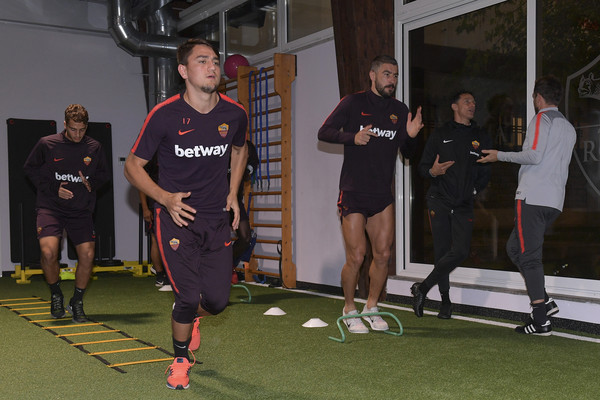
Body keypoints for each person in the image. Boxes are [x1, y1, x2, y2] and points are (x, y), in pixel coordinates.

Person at [124, 38, 248, 390]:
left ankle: (191, 318)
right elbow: (132, 166)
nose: (212, 67)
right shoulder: (164, 115)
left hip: (216, 219)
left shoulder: (235, 113)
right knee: (188, 296)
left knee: (218, 302)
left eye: (215, 61)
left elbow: (239, 150)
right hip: (176, 219)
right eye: (202, 61)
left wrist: (233, 193)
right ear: (183, 71)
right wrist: (164, 198)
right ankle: (179, 360)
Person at [318, 55, 423, 334]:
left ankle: (372, 307)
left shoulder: (399, 110)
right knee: (357, 256)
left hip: (381, 194)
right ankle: (349, 309)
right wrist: (351, 138)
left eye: (395, 75)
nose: (392, 80)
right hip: (353, 192)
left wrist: (411, 136)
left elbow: (407, 154)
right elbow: (324, 131)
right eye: (387, 74)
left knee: (383, 254)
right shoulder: (353, 103)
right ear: (372, 75)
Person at [478, 75, 576, 336]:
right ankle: (545, 301)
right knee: (514, 248)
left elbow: (533, 155)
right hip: (554, 202)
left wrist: (499, 155)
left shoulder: (542, 119)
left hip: (532, 198)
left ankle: (541, 320)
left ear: (538, 98)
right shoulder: (568, 127)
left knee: (530, 257)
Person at [23, 104, 110, 323]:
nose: (77, 134)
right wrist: (54, 188)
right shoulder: (47, 143)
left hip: (80, 210)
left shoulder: (95, 147)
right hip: (50, 207)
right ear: (65, 124)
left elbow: (103, 175)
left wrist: (91, 183)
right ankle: (56, 294)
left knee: (87, 255)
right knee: (49, 253)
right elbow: (29, 169)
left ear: (87, 127)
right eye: (73, 129)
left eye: (82, 130)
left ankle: (77, 301)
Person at [411, 90, 491, 319]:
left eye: (474, 101)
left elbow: (486, 170)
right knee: (442, 250)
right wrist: (433, 171)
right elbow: (422, 168)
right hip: (439, 199)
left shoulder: (480, 136)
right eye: (467, 101)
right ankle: (445, 302)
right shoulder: (440, 134)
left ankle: (422, 288)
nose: (472, 105)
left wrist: (474, 190)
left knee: (461, 251)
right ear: (454, 106)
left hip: (464, 202)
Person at [138, 155, 172, 291]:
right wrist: (145, 208)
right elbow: (141, 184)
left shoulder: (177, 150)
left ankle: (172, 275)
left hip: (172, 202)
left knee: (172, 239)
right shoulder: (151, 156)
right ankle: (160, 275)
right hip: (154, 205)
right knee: (156, 239)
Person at [230, 139, 259, 283]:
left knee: (246, 237)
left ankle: (227, 265)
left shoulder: (247, 147)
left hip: (235, 200)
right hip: (214, 201)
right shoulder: (219, 145)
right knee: (215, 240)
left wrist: (246, 170)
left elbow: (253, 163)